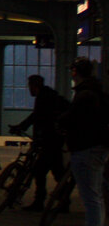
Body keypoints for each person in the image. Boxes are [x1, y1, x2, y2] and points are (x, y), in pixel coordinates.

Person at [55, 57, 109, 226]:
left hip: (86, 148)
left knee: (91, 197)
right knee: (96, 195)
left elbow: (74, 118)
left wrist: (60, 121)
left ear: (75, 72)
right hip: (96, 147)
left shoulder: (84, 94)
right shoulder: (96, 91)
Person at [9, 75, 70, 210]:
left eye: (29, 86)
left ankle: (39, 202)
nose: (29, 89)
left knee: (39, 170)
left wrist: (21, 127)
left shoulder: (44, 98)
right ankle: (64, 201)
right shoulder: (49, 95)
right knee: (57, 171)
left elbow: (36, 116)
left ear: (33, 86)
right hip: (54, 140)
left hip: (50, 140)